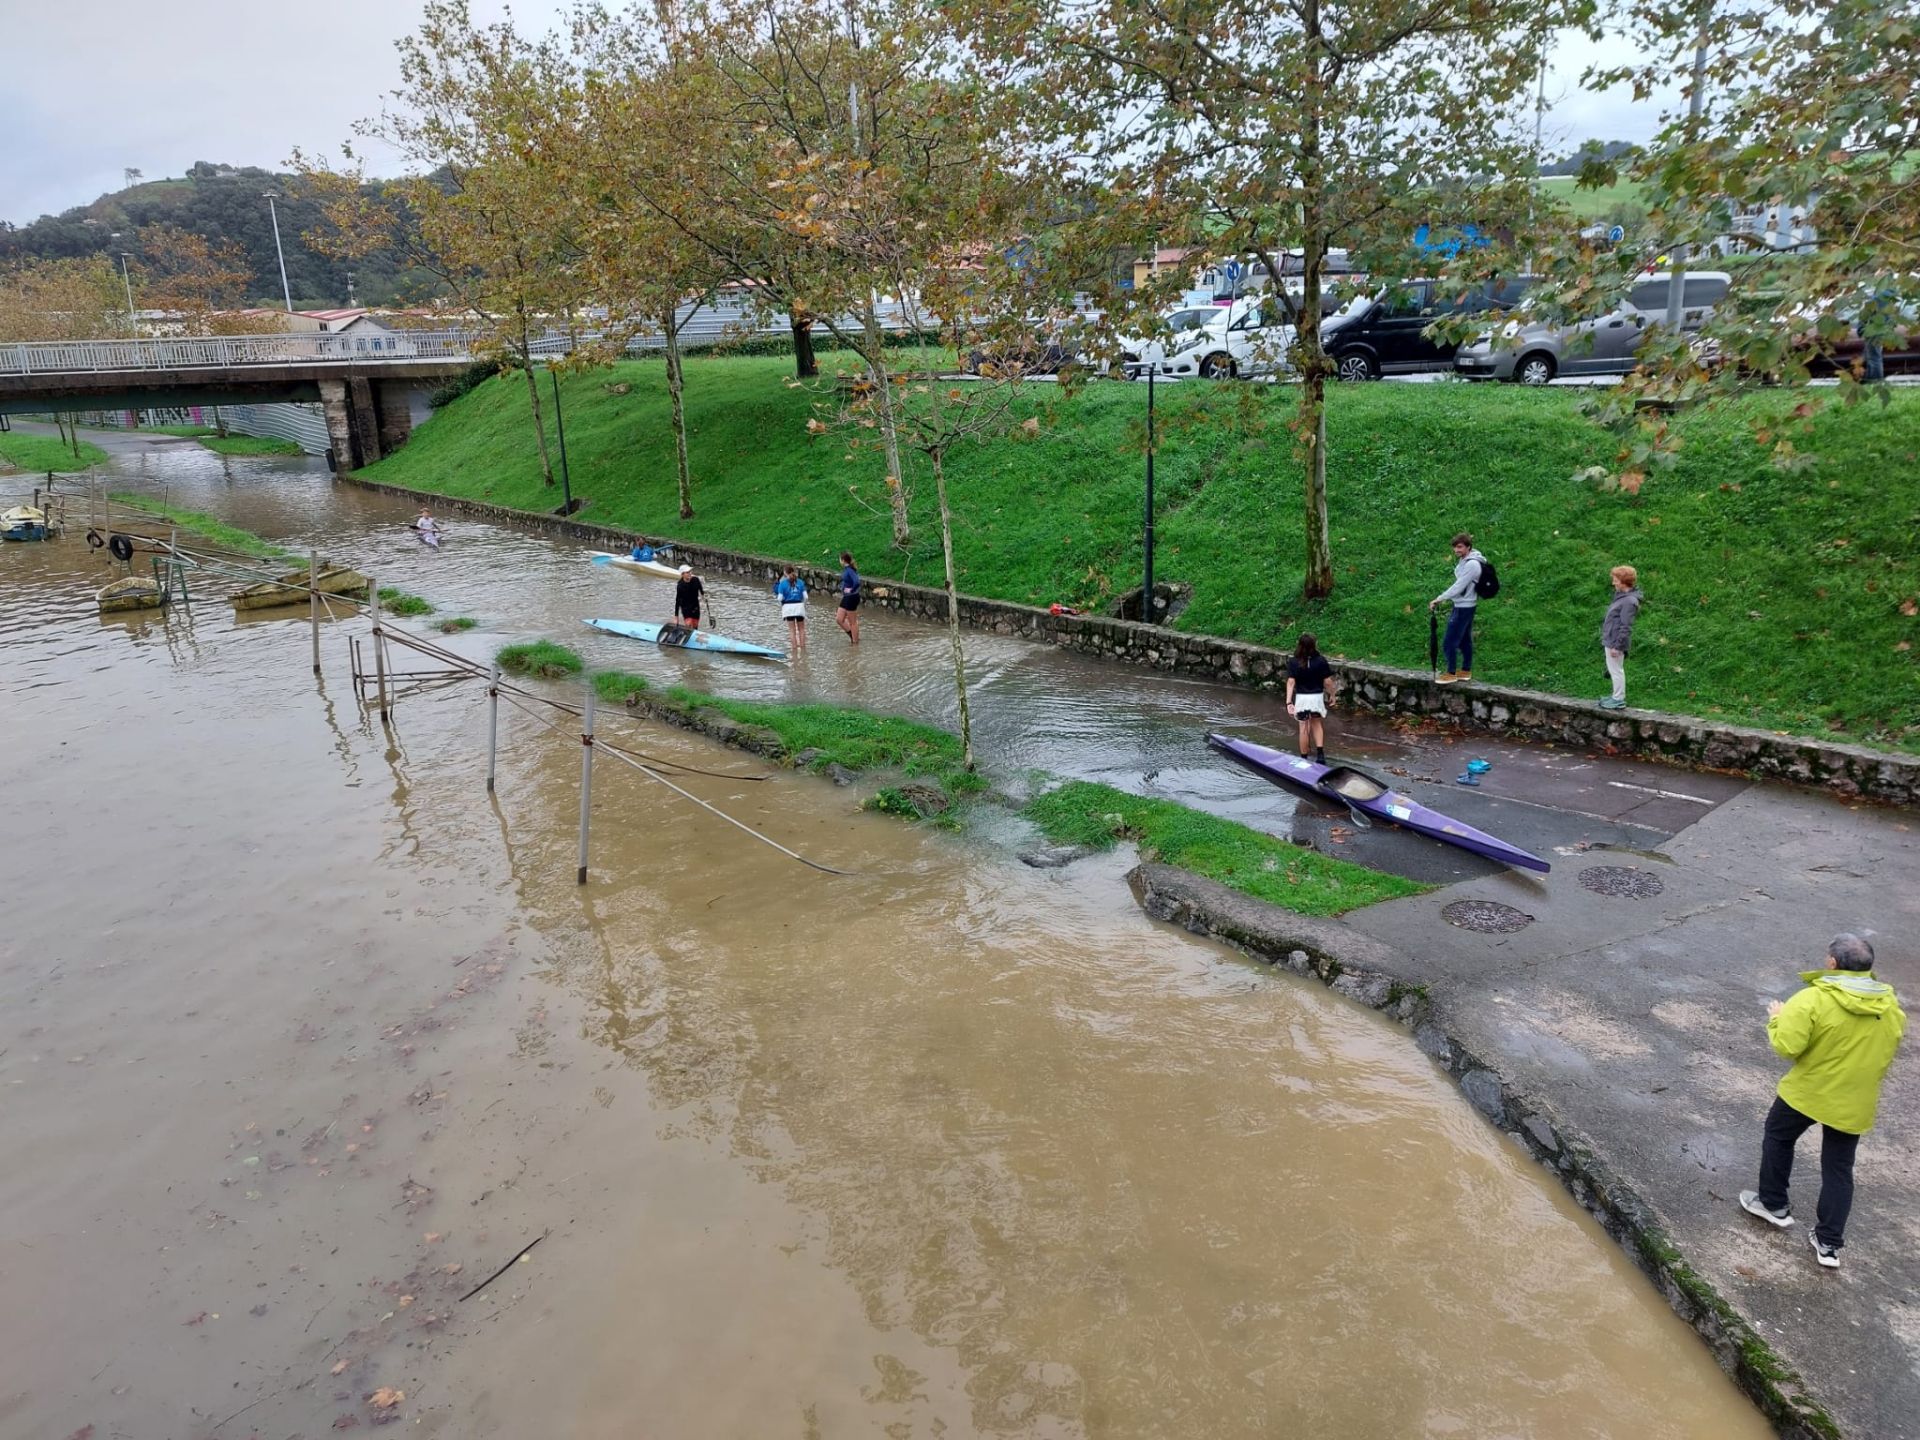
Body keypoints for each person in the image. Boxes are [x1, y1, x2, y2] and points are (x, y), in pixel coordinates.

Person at [1738, 934, 1906, 1269]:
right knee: (1839, 1168)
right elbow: (1886, 1052)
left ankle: (1773, 1205)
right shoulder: (1890, 1009)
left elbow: (1787, 1046)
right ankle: (1828, 1244)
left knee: (1778, 1136)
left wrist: (1777, 1017)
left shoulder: (1813, 999)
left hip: (1808, 1092)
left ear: (1832, 962)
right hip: (1854, 1101)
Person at [1428, 532, 1486, 683]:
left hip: (1463, 607)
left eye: (1460, 547)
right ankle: (1465, 671)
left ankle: (1451, 673)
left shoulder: (1472, 564)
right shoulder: (1466, 560)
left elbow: (1458, 586)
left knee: (1449, 642)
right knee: (1464, 640)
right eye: (1455, 548)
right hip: (1464, 605)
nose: (1456, 551)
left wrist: (1439, 599)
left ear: (1468, 547)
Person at [1285, 632, 1333, 764]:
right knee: (1317, 724)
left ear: (1299, 645)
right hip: (1317, 698)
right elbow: (1328, 682)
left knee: (1304, 728)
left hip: (1302, 699)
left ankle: (1304, 758)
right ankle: (1320, 755)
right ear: (1314, 645)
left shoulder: (1294, 662)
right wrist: (1332, 695)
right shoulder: (1321, 660)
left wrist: (1289, 702)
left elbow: (1291, 682)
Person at [1599, 564, 1643, 710]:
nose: (1613, 582)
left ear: (1624, 581)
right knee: (1614, 669)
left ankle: (1618, 699)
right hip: (1611, 639)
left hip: (1615, 642)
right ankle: (1615, 696)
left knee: (1616, 670)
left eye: (1616, 579)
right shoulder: (1622, 597)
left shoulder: (1629, 602)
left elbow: (1626, 626)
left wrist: (1617, 646)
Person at [774, 565, 808, 651]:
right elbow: (806, 597)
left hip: (788, 608)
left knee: (792, 631)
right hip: (799, 607)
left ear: (785, 573)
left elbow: (780, 598)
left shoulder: (782, 584)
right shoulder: (800, 582)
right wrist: (802, 604)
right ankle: (803, 649)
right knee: (801, 629)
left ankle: (794, 651)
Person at [836, 551, 861, 645]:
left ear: (843, 560)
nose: (839, 561)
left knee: (852, 622)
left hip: (852, 597)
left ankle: (855, 643)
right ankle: (852, 635)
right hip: (846, 597)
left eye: (839, 559)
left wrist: (851, 590)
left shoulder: (850, 570)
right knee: (839, 619)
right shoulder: (847, 569)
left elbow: (857, 582)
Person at [673, 563, 704, 631]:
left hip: (695, 606)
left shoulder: (696, 580)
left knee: (695, 625)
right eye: (687, 572)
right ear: (682, 574)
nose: (690, 573)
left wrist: (703, 597)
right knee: (689, 624)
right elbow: (677, 601)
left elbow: (701, 590)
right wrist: (676, 616)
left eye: (690, 572)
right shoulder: (680, 586)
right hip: (685, 607)